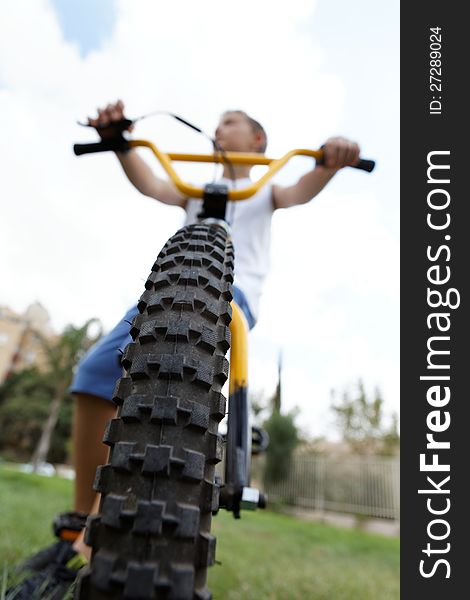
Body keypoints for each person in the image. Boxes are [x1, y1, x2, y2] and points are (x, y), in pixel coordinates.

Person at [9, 100, 360, 598]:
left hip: (231, 295)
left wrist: (329, 160)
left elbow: (304, 188)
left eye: (229, 125)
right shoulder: (198, 191)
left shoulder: (265, 189)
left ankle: (88, 550)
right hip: (172, 288)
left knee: (178, 387)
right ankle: (77, 522)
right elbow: (152, 182)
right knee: (92, 376)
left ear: (259, 141)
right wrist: (118, 142)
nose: (217, 131)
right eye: (214, 126)